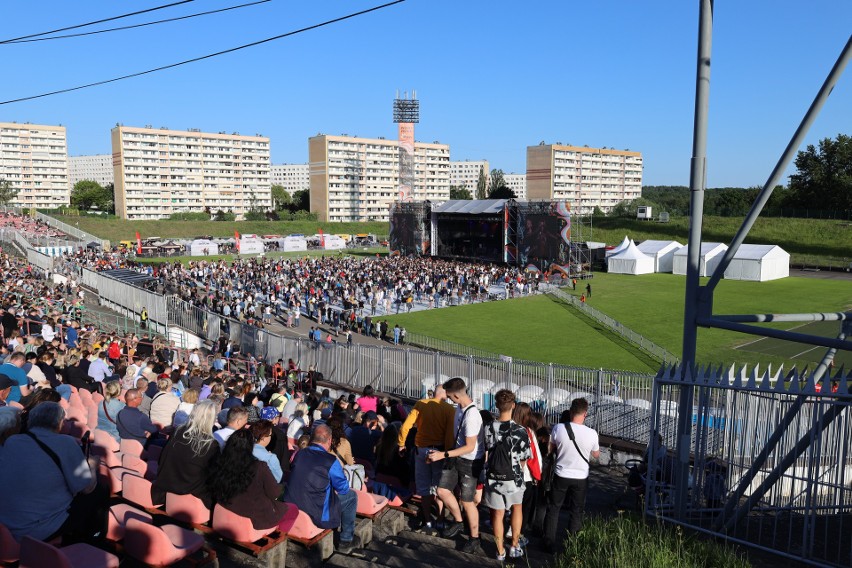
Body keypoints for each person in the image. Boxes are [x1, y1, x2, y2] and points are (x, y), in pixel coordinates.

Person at [0, 402, 104, 543]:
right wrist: (92, 465)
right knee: (99, 490)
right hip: (35, 529)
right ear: (60, 423)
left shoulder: (13, 441)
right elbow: (86, 488)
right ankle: (92, 537)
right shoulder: (66, 443)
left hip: (6, 523)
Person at [426, 377, 484, 554]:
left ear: (457, 397)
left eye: (450, 397)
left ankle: (474, 539)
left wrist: (442, 454)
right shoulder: (460, 407)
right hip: (455, 455)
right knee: (442, 491)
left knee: (467, 501)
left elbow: (470, 446)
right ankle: (458, 521)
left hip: (469, 460)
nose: (449, 400)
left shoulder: (472, 416)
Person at [285, 425, 360, 553]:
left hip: (293, 503)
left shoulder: (300, 453)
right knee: (352, 496)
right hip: (316, 511)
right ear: (329, 440)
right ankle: (346, 540)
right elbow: (343, 489)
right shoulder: (331, 461)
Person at [207, 429, 298, 534]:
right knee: (292, 509)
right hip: (252, 515)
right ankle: (276, 536)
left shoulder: (221, 461)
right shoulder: (259, 466)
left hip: (227, 507)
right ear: (250, 446)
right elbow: (275, 493)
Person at [543, 397, 599, 553]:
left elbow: (550, 448)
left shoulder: (558, 428)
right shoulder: (592, 433)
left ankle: (548, 542)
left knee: (554, 508)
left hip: (561, 473)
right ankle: (572, 544)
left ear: (571, 411)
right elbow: (596, 454)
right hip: (581, 476)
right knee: (576, 510)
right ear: (585, 414)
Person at [397, 382, 456, 531]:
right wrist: (448, 453)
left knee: (423, 488)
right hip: (439, 452)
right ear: (445, 394)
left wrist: (401, 443)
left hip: (421, 450)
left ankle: (428, 520)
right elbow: (450, 435)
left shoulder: (420, 404)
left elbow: (405, 427)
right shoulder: (449, 409)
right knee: (439, 487)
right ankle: (441, 519)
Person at [484, 389, 531, 561]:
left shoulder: (488, 427)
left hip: (493, 477)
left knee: (497, 514)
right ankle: (514, 546)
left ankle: (500, 552)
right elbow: (524, 459)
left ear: (496, 405)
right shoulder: (520, 430)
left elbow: (486, 450)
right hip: (514, 478)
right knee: (517, 508)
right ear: (513, 405)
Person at [151, 400, 220, 508]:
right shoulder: (211, 444)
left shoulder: (178, 431)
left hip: (166, 488)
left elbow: (162, 459)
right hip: (188, 496)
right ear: (211, 419)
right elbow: (211, 477)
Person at [251, 419, 284, 483]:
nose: (271, 437)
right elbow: (279, 479)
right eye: (270, 435)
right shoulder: (270, 458)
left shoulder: (244, 449)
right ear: (263, 437)